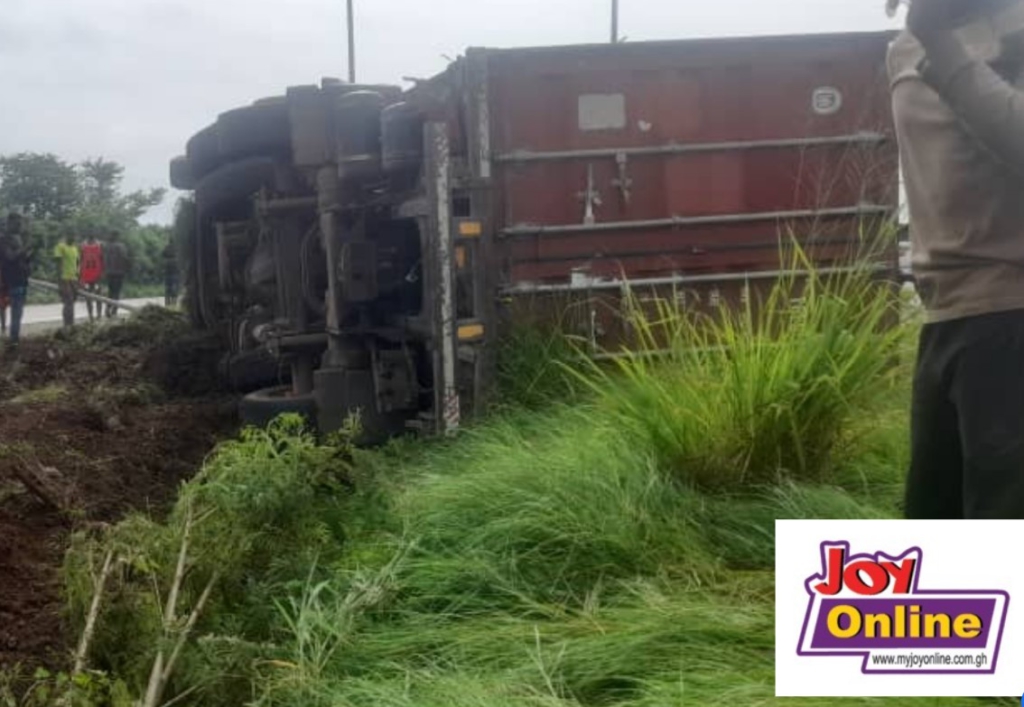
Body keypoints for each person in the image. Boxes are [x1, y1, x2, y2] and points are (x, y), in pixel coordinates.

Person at [889, 0, 1024, 519]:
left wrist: (945, 47)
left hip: (1012, 314)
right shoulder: (905, 46)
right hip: (945, 317)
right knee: (935, 544)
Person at [0, 213, 34, 350]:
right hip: (11, 280)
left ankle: (14, 339)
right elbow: (10, 257)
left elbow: (22, 257)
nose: (20, 227)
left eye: (21, 224)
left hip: (21, 279)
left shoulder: (17, 238)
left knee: (18, 311)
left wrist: (30, 255)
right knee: (15, 311)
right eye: (17, 224)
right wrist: (25, 248)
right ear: (9, 223)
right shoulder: (3, 240)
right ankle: (13, 341)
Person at [53, 233, 80, 329]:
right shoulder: (60, 246)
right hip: (64, 277)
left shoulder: (75, 248)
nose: (73, 238)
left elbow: (76, 264)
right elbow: (58, 264)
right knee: (68, 300)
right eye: (71, 235)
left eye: (74, 236)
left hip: (74, 278)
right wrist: (59, 280)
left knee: (72, 301)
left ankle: (71, 324)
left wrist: (78, 278)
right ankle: (66, 324)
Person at [103, 229, 130, 318]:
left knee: (110, 292)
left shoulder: (107, 246)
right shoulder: (121, 246)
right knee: (116, 292)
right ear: (117, 237)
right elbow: (125, 258)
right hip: (119, 272)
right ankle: (114, 311)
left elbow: (104, 259)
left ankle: (108, 308)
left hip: (109, 272)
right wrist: (126, 269)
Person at [79, 233, 104, 322]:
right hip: (86, 275)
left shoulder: (99, 245)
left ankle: (99, 315)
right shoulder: (83, 246)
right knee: (88, 297)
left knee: (99, 296)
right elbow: (80, 260)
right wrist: (80, 275)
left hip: (97, 274)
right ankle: (91, 316)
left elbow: (102, 259)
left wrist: (102, 273)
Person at [162, 237, 178, 307]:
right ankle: (174, 302)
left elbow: (162, 255)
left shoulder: (167, 247)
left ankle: (167, 302)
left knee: (168, 288)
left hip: (168, 271)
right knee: (175, 288)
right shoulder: (177, 249)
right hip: (175, 272)